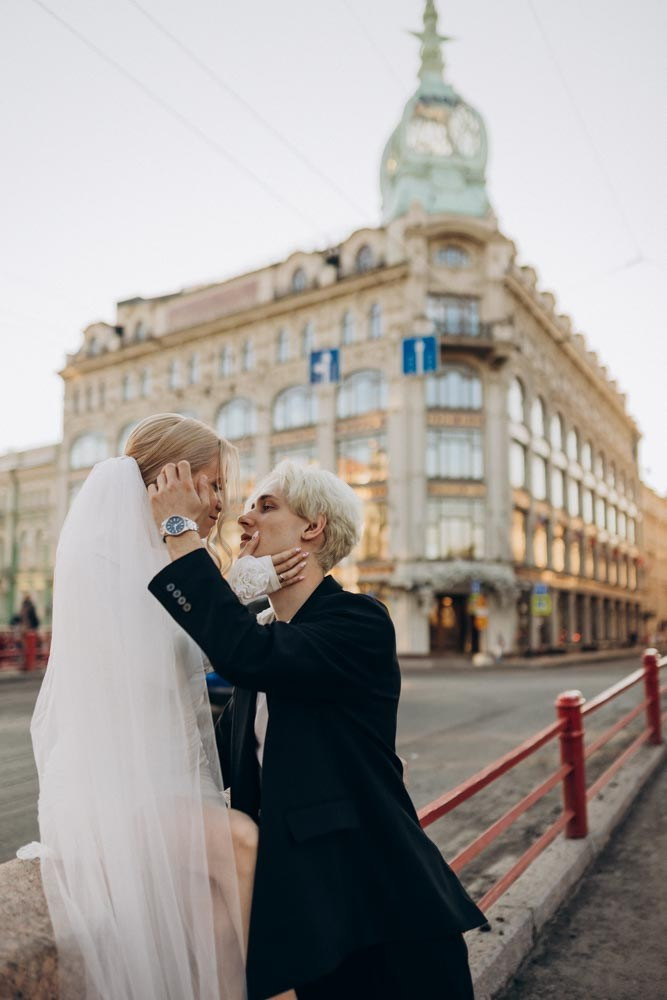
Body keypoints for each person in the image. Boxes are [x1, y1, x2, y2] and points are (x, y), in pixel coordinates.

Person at [148, 459, 486, 1000]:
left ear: (313, 528)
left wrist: (179, 530)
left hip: (381, 917)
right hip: (306, 924)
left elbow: (245, 654)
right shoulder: (265, 639)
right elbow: (201, 751)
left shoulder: (359, 622)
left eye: (267, 505)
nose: (244, 516)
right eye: (248, 505)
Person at [26, 413, 304, 1000]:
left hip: (165, 780)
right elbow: (169, 638)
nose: (222, 505)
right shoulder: (103, 557)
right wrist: (242, 580)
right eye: (213, 484)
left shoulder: (167, 558)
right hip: (117, 789)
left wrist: (250, 584)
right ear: (168, 479)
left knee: (219, 929)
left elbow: (194, 622)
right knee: (243, 843)